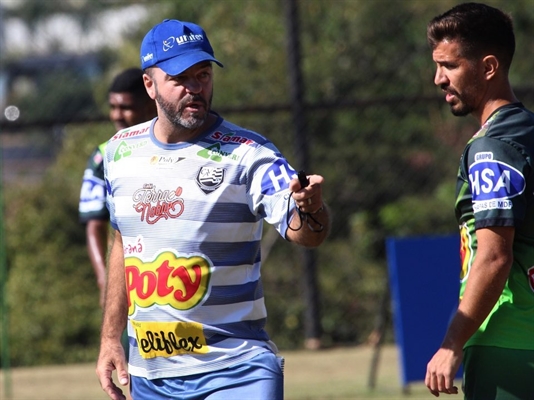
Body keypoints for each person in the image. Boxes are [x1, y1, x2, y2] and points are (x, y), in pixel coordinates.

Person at [95, 19, 330, 400]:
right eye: (180, 78)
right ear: (149, 84)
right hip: (151, 379)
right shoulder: (119, 152)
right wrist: (109, 339)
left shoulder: (250, 153)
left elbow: (305, 233)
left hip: (235, 371)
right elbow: (122, 241)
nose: (195, 88)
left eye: (202, 75)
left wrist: (311, 209)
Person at [425, 3, 534, 399]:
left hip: (507, 345)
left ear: (488, 67)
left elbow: (493, 255)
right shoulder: (527, 132)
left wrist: (451, 342)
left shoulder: (492, 148)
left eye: (449, 66)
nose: (438, 79)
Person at [79, 67, 157, 308]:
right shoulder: (104, 156)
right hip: (130, 287)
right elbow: (95, 224)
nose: (116, 115)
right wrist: (105, 282)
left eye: (126, 107)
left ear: (150, 104)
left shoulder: (177, 148)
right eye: (113, 107)